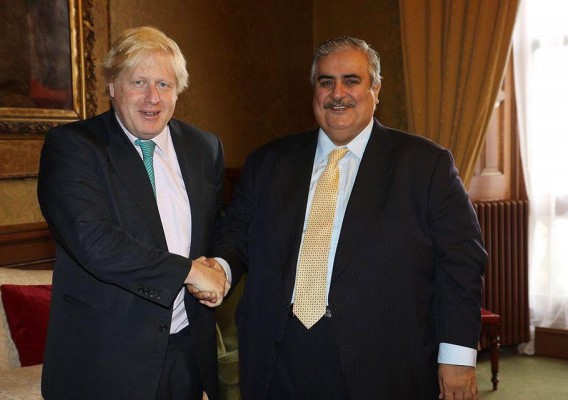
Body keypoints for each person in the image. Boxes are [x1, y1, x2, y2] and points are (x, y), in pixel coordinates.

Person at [205, 37, 487, 399]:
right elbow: (235, 234)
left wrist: (458, 358)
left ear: (375, 89)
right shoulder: (269, 162)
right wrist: (220, 269)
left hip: (382, 362)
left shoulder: (424, 166)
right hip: (278, 355)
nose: (337, 93)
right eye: (326, 82)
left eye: (351, 80)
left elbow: (462, 263)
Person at [38, 26, 229, 400]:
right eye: (139, 82)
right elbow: (95, 241)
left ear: (178, 91)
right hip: (105, 361)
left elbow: (216, 230)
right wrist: (190, 272)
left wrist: (219, 267)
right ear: (112, 86)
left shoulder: (204, 148)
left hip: (187, 354)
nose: (152, 98)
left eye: (164, 84)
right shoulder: (73, 147)